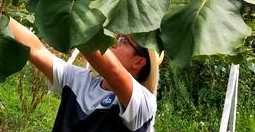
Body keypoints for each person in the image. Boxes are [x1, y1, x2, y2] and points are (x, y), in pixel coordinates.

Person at [8, 18, 159, 132]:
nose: (113, 41)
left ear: (138, 62)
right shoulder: (80, 81)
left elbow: (114, 71)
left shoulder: (142, 104)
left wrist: (74, 18)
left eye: (123, 40)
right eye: (116, 35)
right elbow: (37, 50)